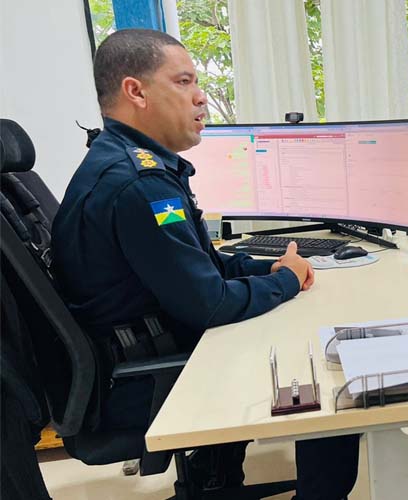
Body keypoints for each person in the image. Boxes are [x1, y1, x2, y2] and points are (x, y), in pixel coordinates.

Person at [51, 29, 358, 499]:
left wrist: (266, 270)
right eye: (184, 82)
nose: (201, 98)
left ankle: (216, 476)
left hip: (143, 356)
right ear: (136, 92)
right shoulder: (139, 185)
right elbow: (209, 304)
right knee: (327, 372)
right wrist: (287, 282)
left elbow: (201, 265)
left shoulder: (126, 164)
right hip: (147, 379)